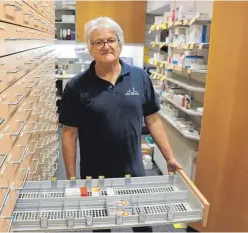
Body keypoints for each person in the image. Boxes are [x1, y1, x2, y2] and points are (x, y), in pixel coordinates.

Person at [59, 17, 182, 232]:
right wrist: (71, 178)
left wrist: (169, 157)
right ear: (90, 48)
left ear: (120, 43)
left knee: (142, 226)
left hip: (133, 169)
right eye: (98, 42)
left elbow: (153, 119)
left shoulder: (140, 77)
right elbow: (69, 132)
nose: (106, 46)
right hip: (95, 173)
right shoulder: (76, 86)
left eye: (111, 40)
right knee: (101, 226)